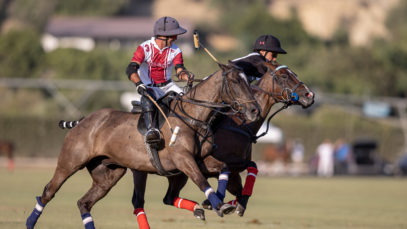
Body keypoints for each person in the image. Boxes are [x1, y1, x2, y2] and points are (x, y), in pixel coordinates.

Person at [126, 16, 193, 144]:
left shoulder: (175, 50)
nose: (176, 38)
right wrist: (139, 84)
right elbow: (131, 69)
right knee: (148, 99)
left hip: (168, 86)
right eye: (174, 36)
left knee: (188, 103)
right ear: (164, 36)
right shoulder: (145, 48)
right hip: (149, 87)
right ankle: (152, 131)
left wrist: (186, 76)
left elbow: (179, 70)